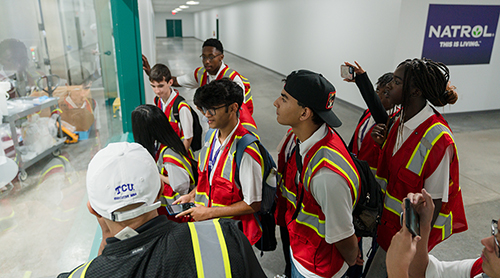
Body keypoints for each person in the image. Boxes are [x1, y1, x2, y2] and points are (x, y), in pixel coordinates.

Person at [57, 142, 266, 278]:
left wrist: (106, 242)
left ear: (92, 209)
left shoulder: (79, 275)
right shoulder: (224, 238)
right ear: (159, 192)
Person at [366, 58, 467, 277]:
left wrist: (410, 253)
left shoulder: (438, 139)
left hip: (405, 242)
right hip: (384, 229)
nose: (389, 85)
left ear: (415, 92)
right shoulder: (397, 121)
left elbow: (434, 205)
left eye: (397, 81)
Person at [273, 69, 361, 278]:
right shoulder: (306, 138)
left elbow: (343, 234)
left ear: (304, 113)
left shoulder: (326, 174)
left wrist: (351, 259)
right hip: (302, 251)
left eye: (284, 99)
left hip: (317, 269)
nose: (276, 102)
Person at [173, 78, 264, 246]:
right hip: (210, 229)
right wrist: (192, 195)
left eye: (213, 109)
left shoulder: (246, 151)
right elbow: (208, 179)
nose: (207, 114)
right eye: (204, 109)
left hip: (233, 236)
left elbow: (253, 204)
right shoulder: (210, 137)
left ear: (233, 107)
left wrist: (208, 213)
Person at [142, 38, 257, 135]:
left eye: (211, 57)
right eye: (203, 57)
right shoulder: (200, 74)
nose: (206, 61)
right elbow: (175, 81)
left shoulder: (233, 79)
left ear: (221, 57)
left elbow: (239, 112)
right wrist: (152, 73)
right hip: (213, 123)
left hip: (228, 129)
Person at [386, 189, 498, 278]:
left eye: (498, 244)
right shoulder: (482, 268)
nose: (485, 241)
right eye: (496, 231)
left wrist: (396, 272)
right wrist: (422, 227)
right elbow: (426, 273)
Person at [132, 104, 196, 217]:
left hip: (178, 211)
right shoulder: (163, 145)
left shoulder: (169, 155)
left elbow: (180, 185)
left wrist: (156, 174)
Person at [149, 63, 194, 153]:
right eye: (153, 86)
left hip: (177, 155)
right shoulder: (158, 100)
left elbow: (188, 138)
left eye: (160, 86)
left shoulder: (182, 108)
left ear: (170, 82)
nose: (157, 91)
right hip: (163, 151)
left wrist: (180, 158)